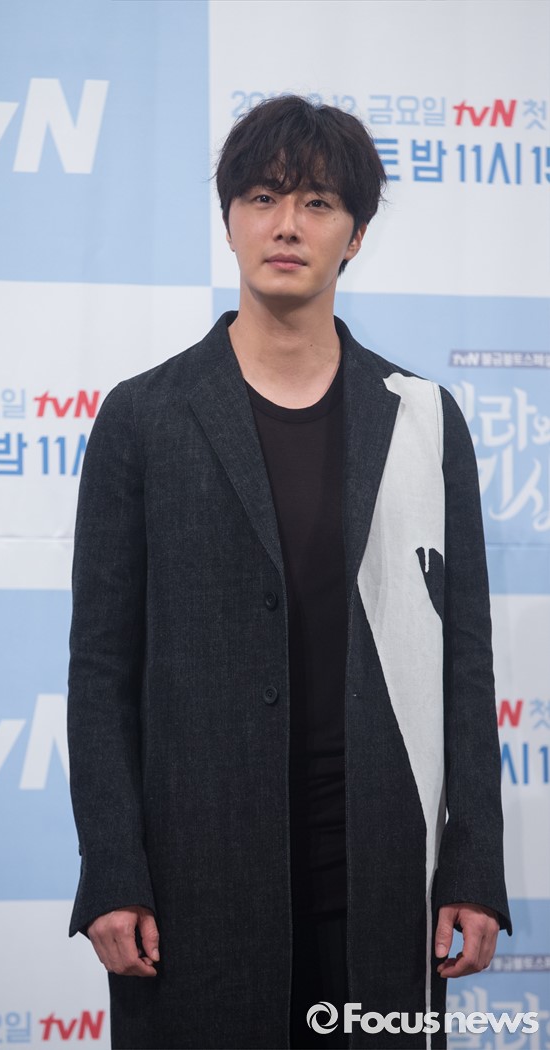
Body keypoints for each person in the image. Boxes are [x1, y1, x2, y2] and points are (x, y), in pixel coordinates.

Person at [67, 96, 511, 1050]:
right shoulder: (143, 418)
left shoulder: (421, 418)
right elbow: (100, 671)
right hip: (193, 878)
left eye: (317, 202)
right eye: (264, 198)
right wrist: (112, 868)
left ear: (356, 234)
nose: (286, 225)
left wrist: (473, 866)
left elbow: (464, 660)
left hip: (381, 873)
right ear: (228, 218)